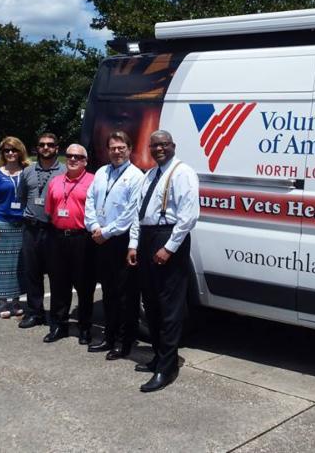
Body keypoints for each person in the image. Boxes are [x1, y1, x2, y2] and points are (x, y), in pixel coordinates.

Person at [128, 130, 199, 392]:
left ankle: (167, 368)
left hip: (167, 238)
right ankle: (158, 356)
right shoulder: (149, 175)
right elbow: (138, 213)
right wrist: (134, 244)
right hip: (147, 237)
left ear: (173, 146)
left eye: (164, 144)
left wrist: (169, 248)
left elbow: (188, 217)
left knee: (169, 306)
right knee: (151, 303)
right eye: (154, 145)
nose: (159, 149)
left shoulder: (183, 173)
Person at [85, 131, 144, 359]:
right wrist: (93, 226)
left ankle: (123, 341)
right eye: (113, 148)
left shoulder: (136, 176)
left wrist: (106, 232)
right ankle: (108, 337)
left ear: (130, 149)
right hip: (99, 237)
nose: (117, 152)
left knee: (124, 295)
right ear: (108, 150)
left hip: (120, 240)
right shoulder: (101, 172)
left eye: (121, 148)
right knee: (108, 292)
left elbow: (131, 213)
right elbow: (90, 200)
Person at [43, 144, 95, 344]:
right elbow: (50, 210)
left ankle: (85, 327)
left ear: (85, 161)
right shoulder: (55, 181)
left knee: (84, 286)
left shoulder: (93, 181)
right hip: (58, 238)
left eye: (78, 157)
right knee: (58, 284)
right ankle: (59, 326)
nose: (73, 159)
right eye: (69, 156)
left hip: (82, 238)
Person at [18, 132, 64, 329]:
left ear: (57, 148)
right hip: (31, 228)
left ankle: (56, 316)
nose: (46, 148)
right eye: (42, 145)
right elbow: (22, 196)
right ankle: (35, 313)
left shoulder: (64, 171)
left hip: (54, 230)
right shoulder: (28, 171)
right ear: (37, 148)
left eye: (50, 145)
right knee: (32, 272)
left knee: (56, 274)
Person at [0, 136, 29, 318]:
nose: (10, 153)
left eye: (14, 150)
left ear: (20, 152)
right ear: (2, 153)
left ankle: (16, 300)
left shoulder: (27, 172)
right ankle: (3, 301)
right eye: (7, 150)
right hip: (2, 221)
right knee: (1, 265)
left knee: (19, 264)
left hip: (22, 223)